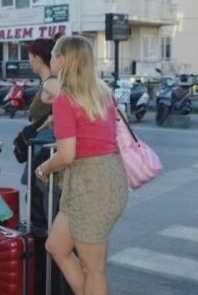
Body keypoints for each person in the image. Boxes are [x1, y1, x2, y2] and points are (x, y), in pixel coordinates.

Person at [36, 35, 127, 295]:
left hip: (93, 184)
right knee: (56, 246)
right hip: (98, 179)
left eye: (53, 54)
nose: (51, 59)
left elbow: (66, 155)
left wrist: (43, 168)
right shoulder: (101, 93)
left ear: (63, 60)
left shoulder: (65, 99)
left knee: (94, 268)